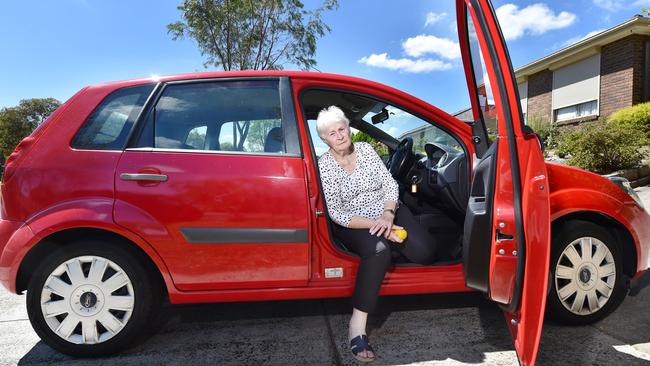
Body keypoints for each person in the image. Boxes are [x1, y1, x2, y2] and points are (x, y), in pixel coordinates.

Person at [316, 105, 437, 362]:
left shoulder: (366, 150)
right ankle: (357, 328)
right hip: (354, 222)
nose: (339, 135)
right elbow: (337, 213)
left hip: (386, 210)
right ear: (324, 139)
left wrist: (388, 217)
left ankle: (389, 241)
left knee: (426, 252)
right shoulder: (324, 165)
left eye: (342, 128)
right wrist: (382, 229)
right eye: (331, 133)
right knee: (379, 251)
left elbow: (390, 184)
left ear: (348, 129)